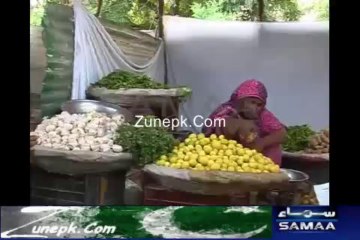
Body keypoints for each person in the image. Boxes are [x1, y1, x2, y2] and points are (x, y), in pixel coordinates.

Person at [203, 79, 287, 165]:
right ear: (241, 101)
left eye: (259, 105)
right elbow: (216, 126)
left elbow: (281, 133)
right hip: (224, 156)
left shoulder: (263, 114)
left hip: (252, 159)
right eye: (252, 102)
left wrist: (263, 142)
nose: (255, 107)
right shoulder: (227, 110)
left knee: (274, 146)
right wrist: (239, 126)